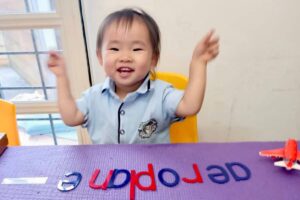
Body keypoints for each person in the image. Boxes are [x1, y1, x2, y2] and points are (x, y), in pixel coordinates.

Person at [47, 8, 219, 144]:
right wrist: (61, 78)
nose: (125, 57)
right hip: (108, 175)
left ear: (153, 58)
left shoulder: (162, 94)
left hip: (152, 175)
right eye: (114, 49)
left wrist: (198, 63)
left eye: (136, 49)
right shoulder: (93, 97)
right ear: (100, 57)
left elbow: (190, 107)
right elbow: (70, 118)